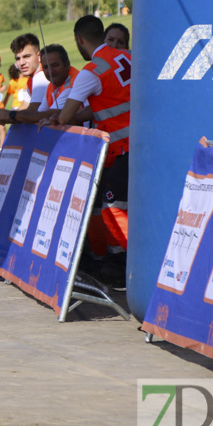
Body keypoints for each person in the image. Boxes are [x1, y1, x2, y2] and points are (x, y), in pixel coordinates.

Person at [57, 15, 132, 286]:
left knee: (114, 209)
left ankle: (123, 265)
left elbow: (65, 117)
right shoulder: (129, 57)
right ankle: (114, 260)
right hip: (142, 144)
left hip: (122, 149)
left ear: (79, 40)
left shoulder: (92, 71)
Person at [0, 33, 49, 128]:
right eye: (18, 58)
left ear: (39, 56)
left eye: (26, 56)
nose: (21, 63)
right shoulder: (31, 79)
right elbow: (23, 107)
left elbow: (33, 113)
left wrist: (8, 116)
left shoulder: (42, 76)